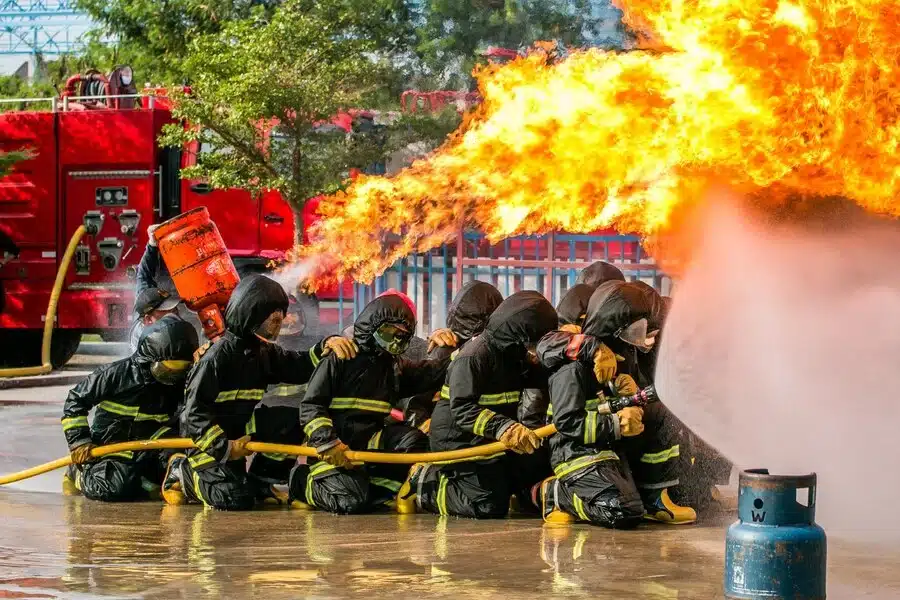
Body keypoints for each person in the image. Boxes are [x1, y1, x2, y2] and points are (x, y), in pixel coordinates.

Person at [161, 274, 356, 510]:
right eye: (274, 320)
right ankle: (183, 473)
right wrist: (225, 449)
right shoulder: (215, 359)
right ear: (252, 315)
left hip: (239, 432)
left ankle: (261, 482)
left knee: (288, 422)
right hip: (206, 445)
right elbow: (193, 415)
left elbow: (298, 366)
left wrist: (328, 344)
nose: (279, 325)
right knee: (233, 499)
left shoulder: (262, 351)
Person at [536, 281, 696, 528]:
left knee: (661, 414)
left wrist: (632, 402)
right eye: (643, 330)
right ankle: (557, 494)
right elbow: (568, 422)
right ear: (619, 325)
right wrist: (617, 424)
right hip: (577, 452)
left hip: (610, 445)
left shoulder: (624, 353)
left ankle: (654, 496)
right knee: (623, 511)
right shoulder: (573, 365)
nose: (648, 338)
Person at [290, 290, 450, 514]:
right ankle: (300, 482)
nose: (393, 341)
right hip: (333, 448)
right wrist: (327, 442)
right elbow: (311, 406)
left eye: (400, 336)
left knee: (414, 442)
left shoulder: (394, 367)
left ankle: (379, 494)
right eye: (388, 332)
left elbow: (431, 374)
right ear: (371, 323)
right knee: (350, 501)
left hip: (368, 444)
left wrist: (451, 347)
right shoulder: (341, 357)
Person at [403, 291, 559, 519]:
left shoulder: (512, 353)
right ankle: (425, 481)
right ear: (521, 333)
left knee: (537, 465)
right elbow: (463, 410)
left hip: (491, 439)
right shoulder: (474, 356)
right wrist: (504, 427)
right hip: (458, 441)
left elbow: (541, 376)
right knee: (489, 506)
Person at [61, 315, 199, 501]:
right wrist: (79, 441)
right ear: (149, 358)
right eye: (167, 369)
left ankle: (151, 482)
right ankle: (79, 475)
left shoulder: (179, 381)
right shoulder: (114, 374)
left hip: (153, 444)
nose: (173, 377)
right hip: (112, 445)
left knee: (181, 460)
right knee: (113, 488)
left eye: (181, 369)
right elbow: (75, 401)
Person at [399, 280, 504, 430]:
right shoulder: (445, 348)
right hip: (452, 435)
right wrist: (424, 423)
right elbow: (417, 403)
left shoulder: (500, 351)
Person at [129, 287, 182, 353]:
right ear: (148, 319)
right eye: (166, 309)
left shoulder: (172, 322)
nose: (174, 310)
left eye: (174, 307)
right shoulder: (143, 343)